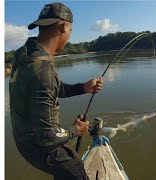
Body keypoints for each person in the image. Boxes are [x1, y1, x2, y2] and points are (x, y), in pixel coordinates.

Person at [9, 2, 103, 180]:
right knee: (75, 168)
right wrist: (76, 130)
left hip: (24, 140)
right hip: (39, 146)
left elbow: (53, 88)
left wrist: (84, 87)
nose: (69, 36)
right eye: (71, 31)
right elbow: (47, 136)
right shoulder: (43, 70)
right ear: (63, 27)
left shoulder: (26, 53)